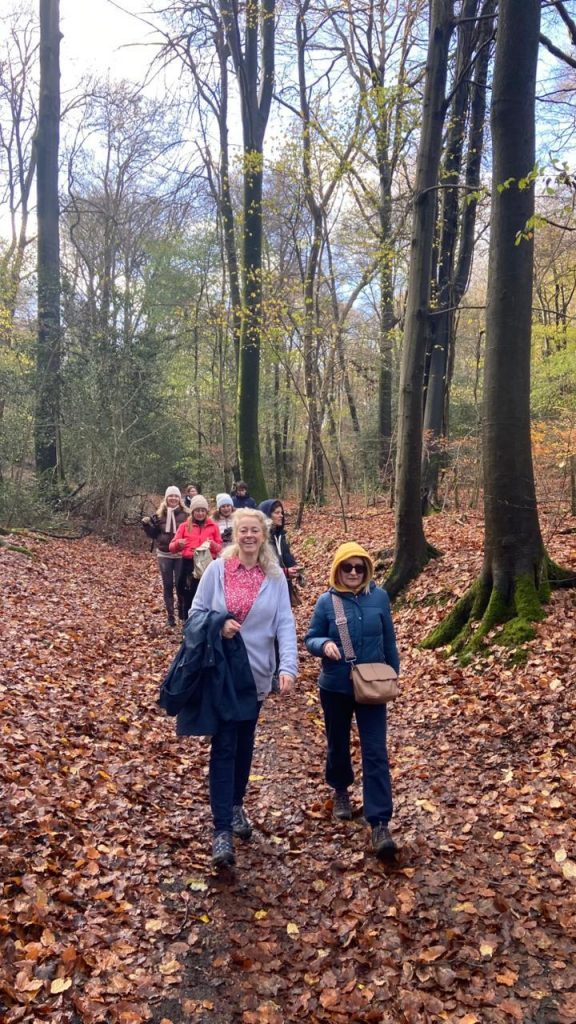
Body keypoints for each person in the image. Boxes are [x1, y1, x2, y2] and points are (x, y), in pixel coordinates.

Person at [184, 508, 297, 868]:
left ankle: (235, 805)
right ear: (235, 534)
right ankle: (221, 831)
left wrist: (288, 666)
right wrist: (218, 624)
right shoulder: (217, 570)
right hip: (221, 672)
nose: (249, 536)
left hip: (257, 674)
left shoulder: (275, 577)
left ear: (263, 536)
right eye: (243, 530)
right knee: (224, 744)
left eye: (255, 531)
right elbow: (195, 614)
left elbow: (285, 623)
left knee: (245, 742)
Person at [304, 542, 400, 859]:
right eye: (348, 567)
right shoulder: (326, 602)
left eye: (360, 567)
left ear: (367, 569)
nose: (354, 573)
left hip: (372, 685)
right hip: (335, 686)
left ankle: (380, 823)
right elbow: (310, 637)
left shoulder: (379, 597)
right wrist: (323, 644)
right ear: (338, 569)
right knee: (338, 742)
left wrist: (393, 676)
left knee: (375, 752)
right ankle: (341, 789)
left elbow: (389, 640)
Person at [169, 495, 222, 619]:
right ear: (192, 512)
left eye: (203, 510)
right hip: (189, 564)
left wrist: (213, 545)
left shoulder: (213, 526)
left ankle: (205, 622)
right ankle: (188, 623)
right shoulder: (184, 526)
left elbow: (219, 547)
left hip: (207, 565)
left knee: (207, 595)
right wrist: (178, 544)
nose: (200, 513)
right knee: (188, 595)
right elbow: (171, 547)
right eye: (197, 510)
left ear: (206, 512)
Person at [141, 486, 188, 627]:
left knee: (180, 585)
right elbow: (154, 534)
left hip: (180, 554)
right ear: (166, 498)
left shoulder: (187, 515)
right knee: (167, 585)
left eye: (176, 496)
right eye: (170, 496)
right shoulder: (159, 515)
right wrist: (146, 526)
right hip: (164, 553)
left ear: (179, 498)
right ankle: (170, 617)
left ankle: (182, 614)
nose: (173, 498)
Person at [258, 499, 301, 606]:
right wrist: (284, 572)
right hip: (268, 588)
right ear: (267, 515)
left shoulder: (280, 535)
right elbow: (262, 565)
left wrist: (294, 567)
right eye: (277, 513)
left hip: (284, 584)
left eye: (281, 512)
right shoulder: (262, 539)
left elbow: (286, 555)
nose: (281, 515)